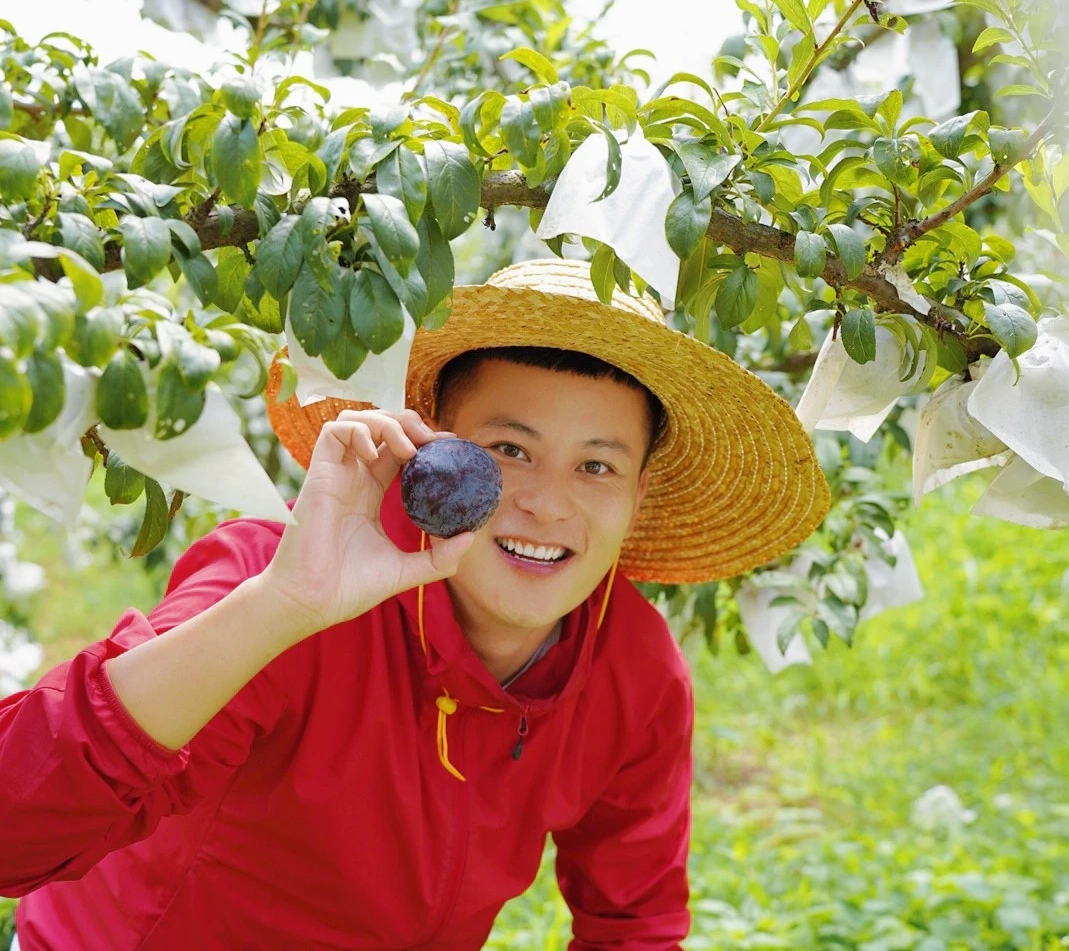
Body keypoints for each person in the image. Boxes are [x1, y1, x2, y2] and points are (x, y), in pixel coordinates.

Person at [0, 258, 829, 950]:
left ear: (640, 495)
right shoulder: (272, 575)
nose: (546, 504)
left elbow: (634, 925)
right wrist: (281, 607)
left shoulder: (633, 668)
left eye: (596, 466)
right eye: (508, 450)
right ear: (429, 447)